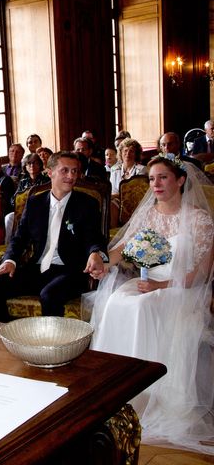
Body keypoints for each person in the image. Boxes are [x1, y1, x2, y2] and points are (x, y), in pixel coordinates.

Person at [85, 155, 214, 453]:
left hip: (183, 289)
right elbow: (121, 249)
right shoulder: (147, 216)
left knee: (141, 307)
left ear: (180, 180)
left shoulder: (199, 219)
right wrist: (102, 262)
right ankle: (115, 391)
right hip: (148, 284)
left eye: (163, 177)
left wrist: (162, 285)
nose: (155, 184)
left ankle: (148, 394)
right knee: (117, 301)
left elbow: (203, 273)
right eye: (152, 178)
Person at [0, 152, 106, 322]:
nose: (71, 176)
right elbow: (19, 238)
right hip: (38, 268)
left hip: (70, 271)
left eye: (75, 171)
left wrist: (95, 253)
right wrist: (10, 261)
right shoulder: (35, 203)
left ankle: (52, 346)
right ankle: (4, 339)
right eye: (65, 171)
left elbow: (94, 238)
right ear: (50, 172)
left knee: (49, 295)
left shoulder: (87, 204)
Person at [4, 153, 51, 243]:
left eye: (35, 163)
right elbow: (14, 200)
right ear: (25, 166)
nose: (32, 166)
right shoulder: (23, 182)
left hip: (41, 212)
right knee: (9, 217)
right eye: (29, 163)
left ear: (40, 165)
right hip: (23, 211)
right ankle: (9, 245)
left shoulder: (46, 181)